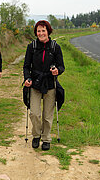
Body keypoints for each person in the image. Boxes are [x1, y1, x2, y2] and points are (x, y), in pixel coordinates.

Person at [23, 20, 65, 150]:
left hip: (50, 83)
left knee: (47, 115)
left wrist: (57, 71)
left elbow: (61, 66)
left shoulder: (55, 47)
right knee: (34, 113)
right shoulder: (32, 46)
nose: (41, 33)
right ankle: (36, 135)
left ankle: (46, 138)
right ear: (36, 33)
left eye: (43, 30)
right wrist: (27, 78)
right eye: (38, 31)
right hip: (35, 83)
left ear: (48, 31)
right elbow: (26, 66)